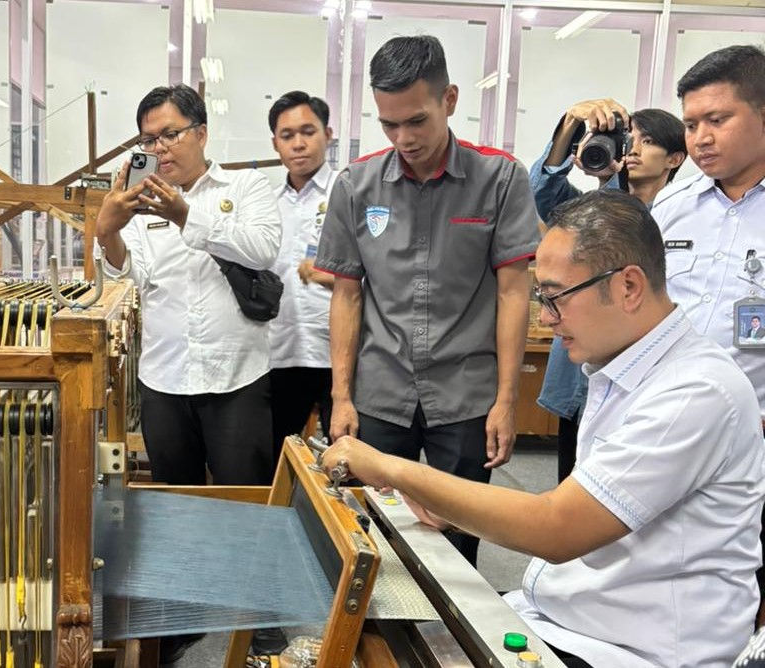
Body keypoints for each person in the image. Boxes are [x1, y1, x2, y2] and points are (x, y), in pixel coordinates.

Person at [323, 189, 765, 668]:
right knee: (388, 617)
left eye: (555, 298)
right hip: (569, 616)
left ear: (629, 287)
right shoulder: (624, 368)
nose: (549, 319)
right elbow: (582, 506)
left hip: (629, 650)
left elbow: (556, 527)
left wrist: (391, 467)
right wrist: (457, 506)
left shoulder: (694, 392)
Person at [314, 35, 539, 566]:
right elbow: (346, 297)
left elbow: (514, 292)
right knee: (369, 539)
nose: (403, 138)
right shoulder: (356, 185)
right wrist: (340, 397)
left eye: (416, 121)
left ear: (450, 100)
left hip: (464, 398)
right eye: (389, 124)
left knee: (455, 546)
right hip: (380, 392)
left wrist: (507, 400)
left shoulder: (500, 179)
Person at [94, 84, 282, 662]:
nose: (161, 147)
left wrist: (186, 213)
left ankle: (261, 621)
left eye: (170, 133)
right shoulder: (142, 205)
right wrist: (108, 231)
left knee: (245, 503)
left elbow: (263, 249)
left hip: (237, 377)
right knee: (175, 506)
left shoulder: (247, 187)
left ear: (201, 131)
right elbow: (135, 279)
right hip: (166, 379)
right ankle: (183, 618)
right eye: (149, 138)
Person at [650, 44, 765, 626]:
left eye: (717, 120)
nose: (699, 138)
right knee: (672, 571)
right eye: (692, 124)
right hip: (671, 426)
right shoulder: (672, 208)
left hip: (759, 437)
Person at [531, 100, 686, 481]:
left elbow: (630, 231)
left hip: (648, 380)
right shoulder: (590, 208)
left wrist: (611, 186)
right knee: (571, 483)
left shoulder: (681, 216)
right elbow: (541, 193)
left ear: (674, 158)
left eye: (647, 141)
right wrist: (571, 125)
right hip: (583, 378)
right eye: (627, 139)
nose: (632, 149)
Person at [267, 91, 337, 463]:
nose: (298, 143)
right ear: (275, 143)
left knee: (348, 460)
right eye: (287, 134)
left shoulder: (349, 193)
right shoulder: (265, 203)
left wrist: (335, 277)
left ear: (327, 134)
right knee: (278, 460)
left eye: (308, 131)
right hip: (280, 351)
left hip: (337, 352)